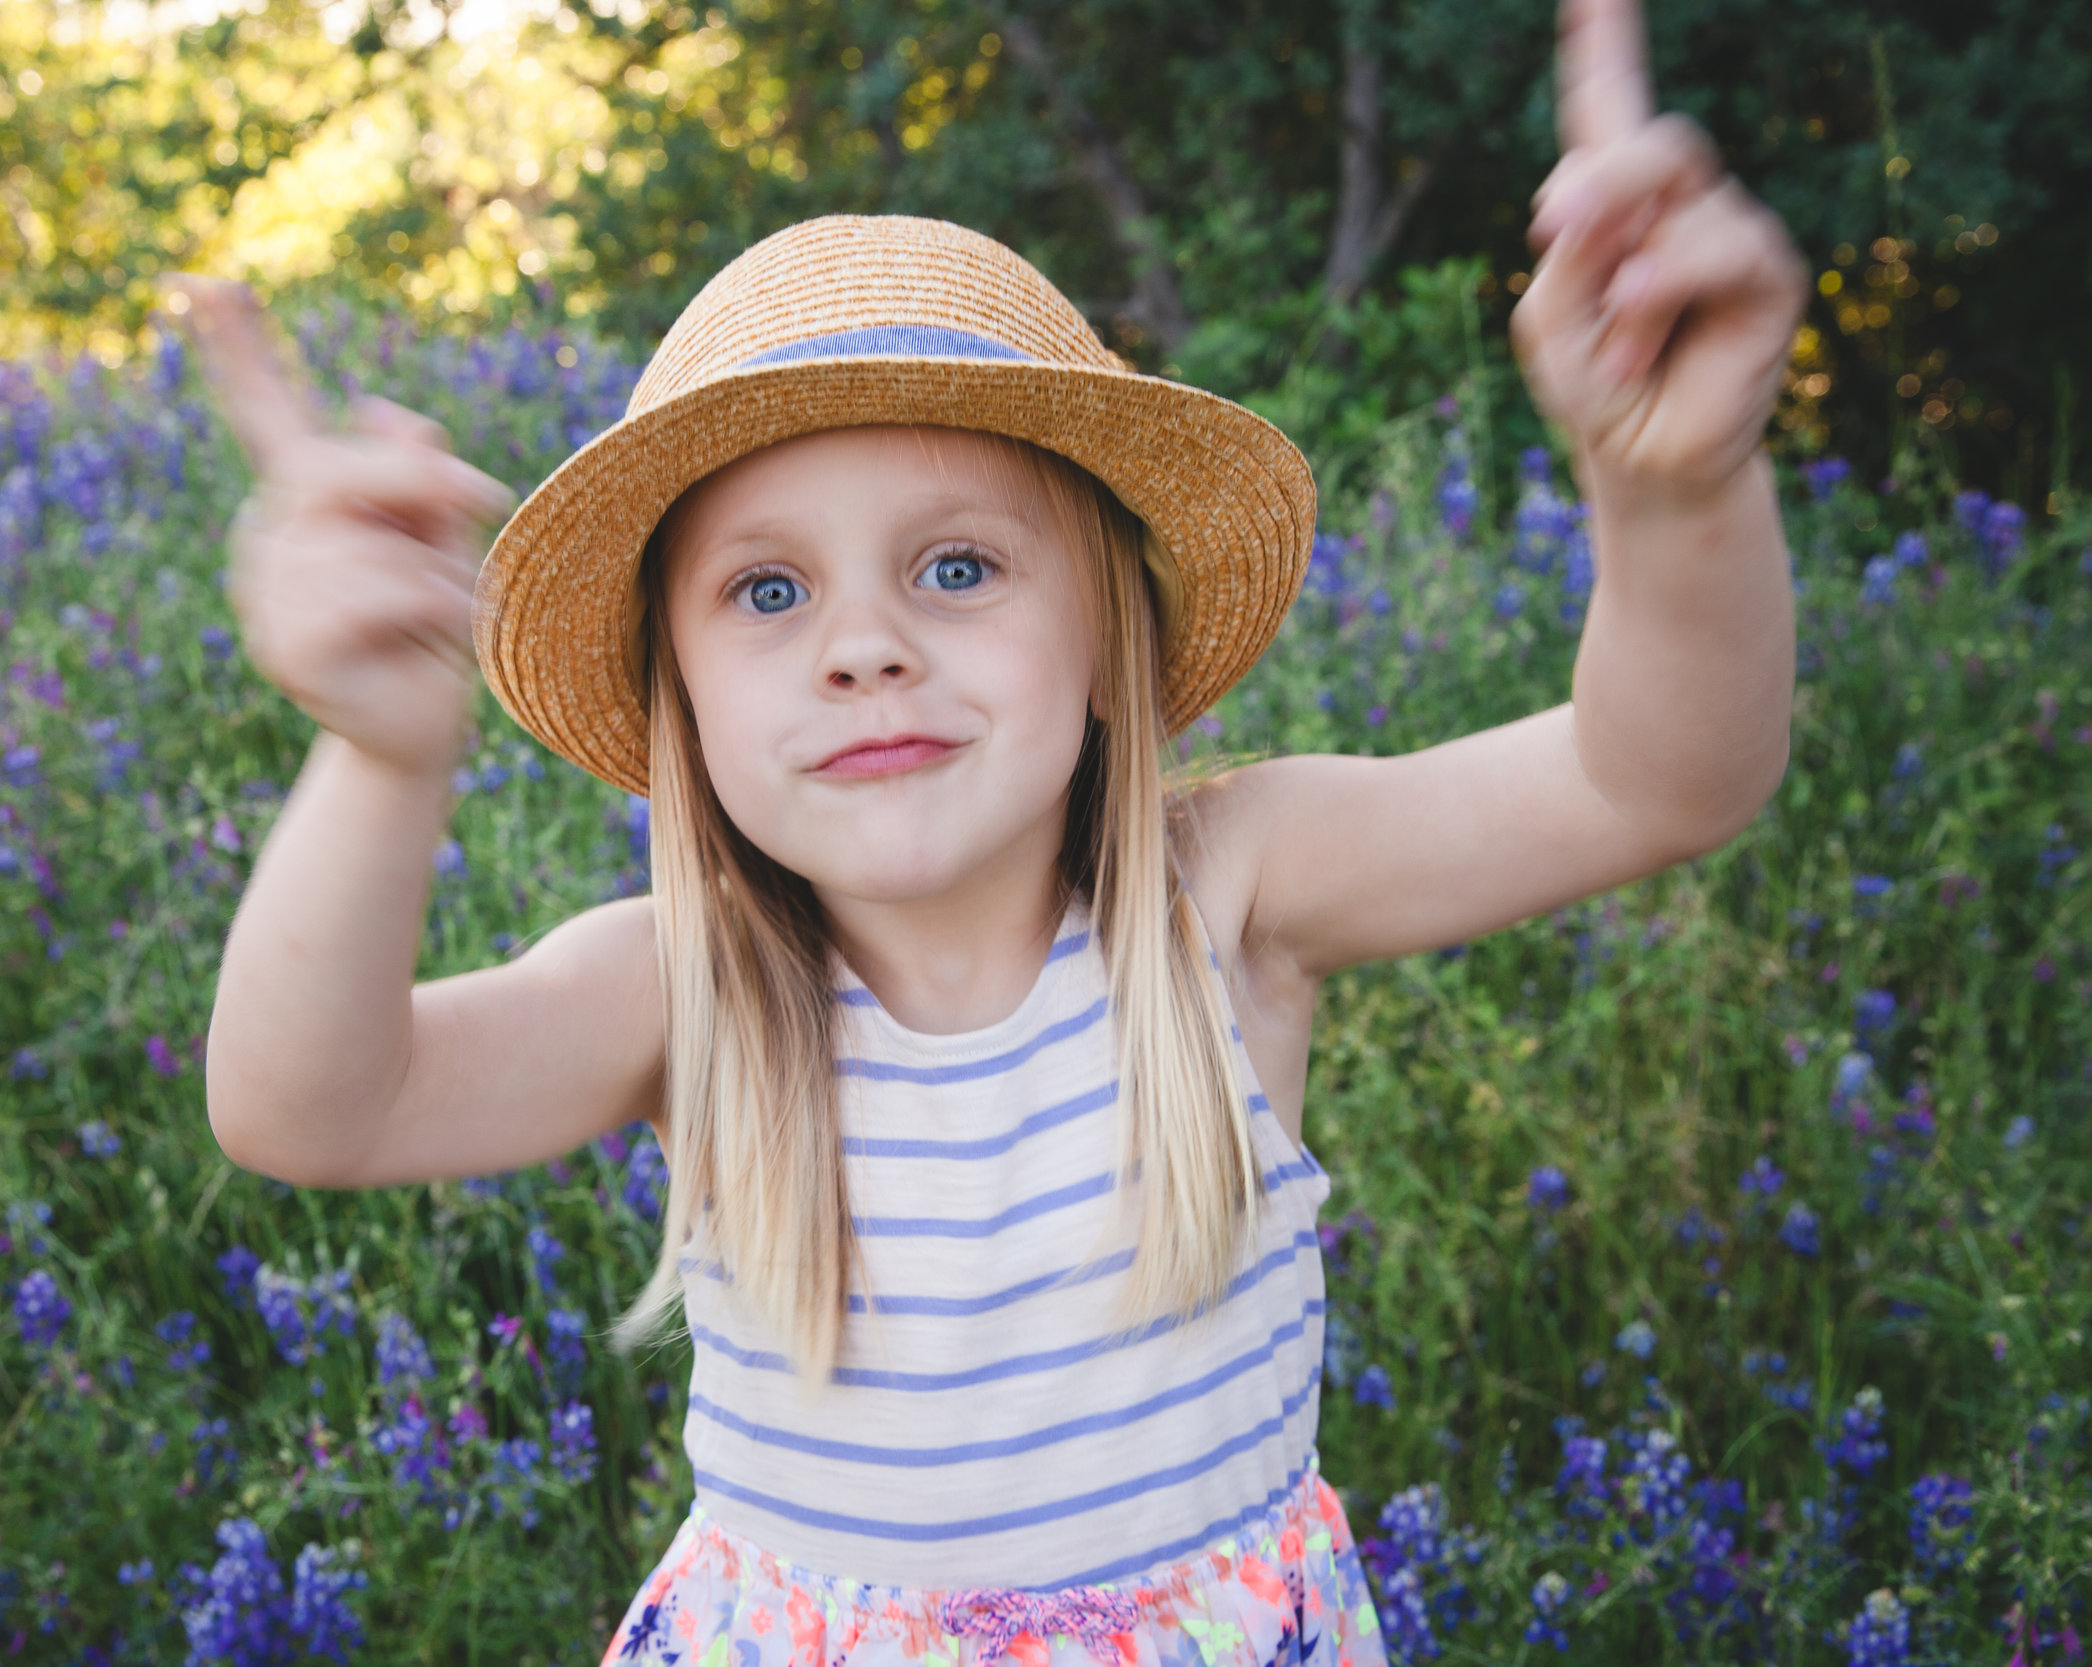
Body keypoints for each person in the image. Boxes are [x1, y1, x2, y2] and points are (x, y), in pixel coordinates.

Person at [175, 0, 1807, 1653]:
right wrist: (380, 763)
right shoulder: (681, 990)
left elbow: (1656, 778)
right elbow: (311, 1109)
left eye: (958, 567)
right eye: (766, 589)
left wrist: (1674, 488)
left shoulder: (1230, 895)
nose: (865, 642)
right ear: (680, 701)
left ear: (1105, 642)